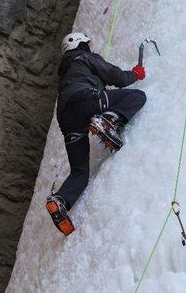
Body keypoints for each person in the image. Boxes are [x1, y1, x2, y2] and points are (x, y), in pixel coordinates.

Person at [45, 31, 147, 236]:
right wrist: (135, 74)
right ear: (80, 44)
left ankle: (60, 200)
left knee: (80, 172)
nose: (91, 47)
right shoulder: (84, 57)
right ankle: (108, 120)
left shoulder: (65, 73)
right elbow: (115, 76)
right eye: (88, 43)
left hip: (66, 118)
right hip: (86, 99)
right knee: (137, 96)